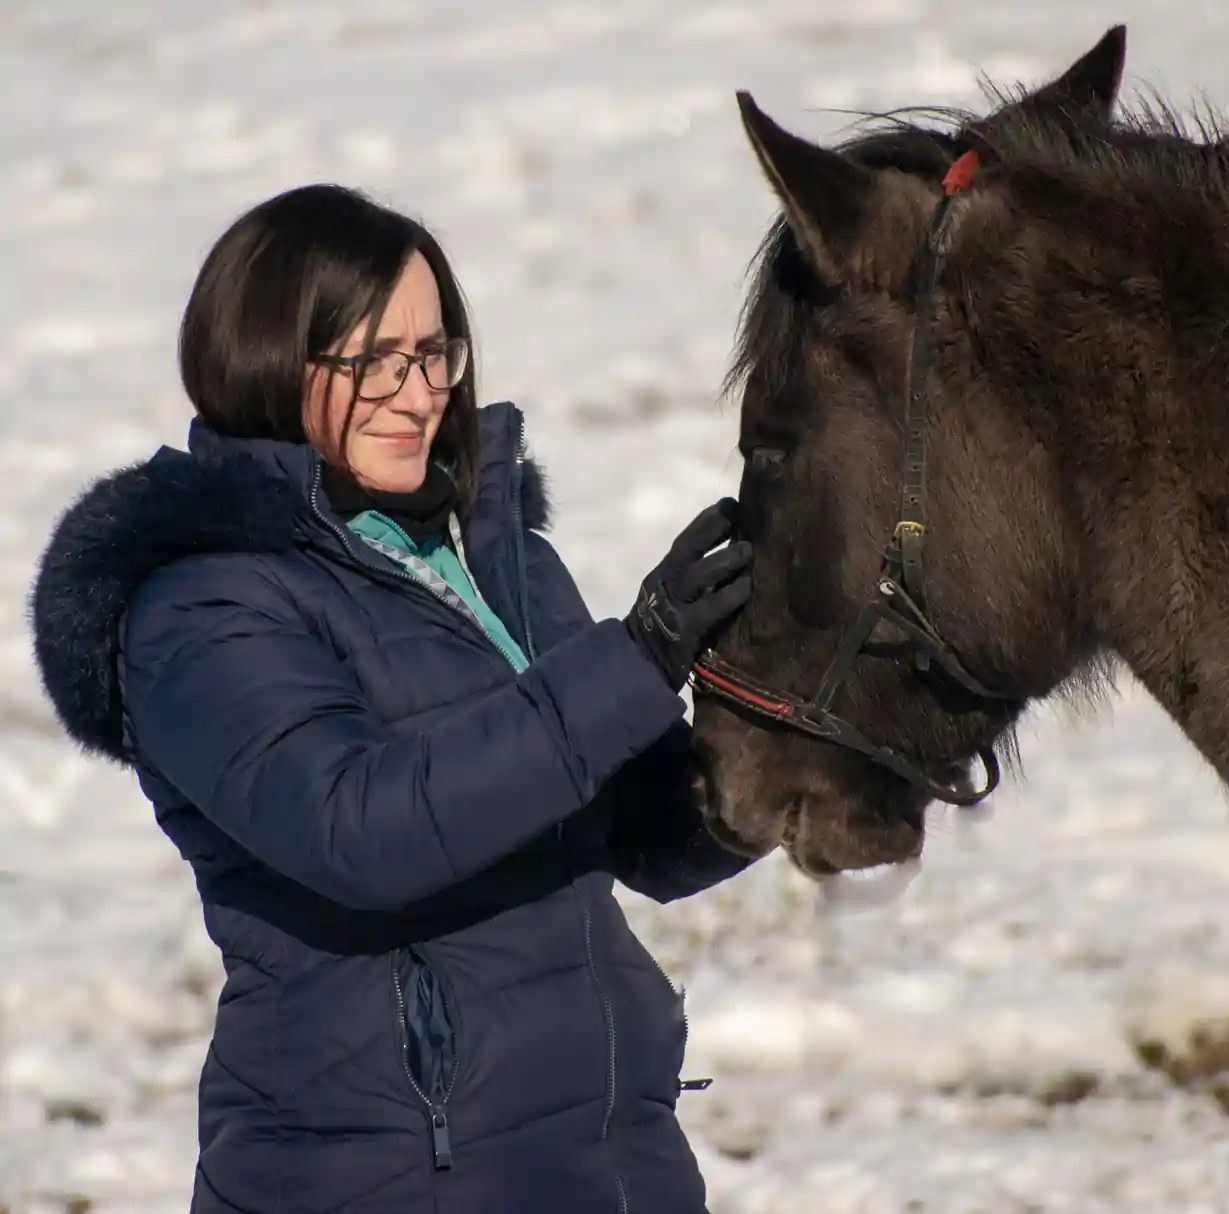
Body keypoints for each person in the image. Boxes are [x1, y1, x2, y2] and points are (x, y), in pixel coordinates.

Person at [28, 182, 757, 1213]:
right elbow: (364, 827)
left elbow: (642, 837)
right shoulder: (199, 602)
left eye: (433, 353)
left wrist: (793, 733)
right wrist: (633, 660)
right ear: (270, 358)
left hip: (608, 1163)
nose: (417, 392)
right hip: (380, 1176)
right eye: (373, 360)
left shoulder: (491, 552)